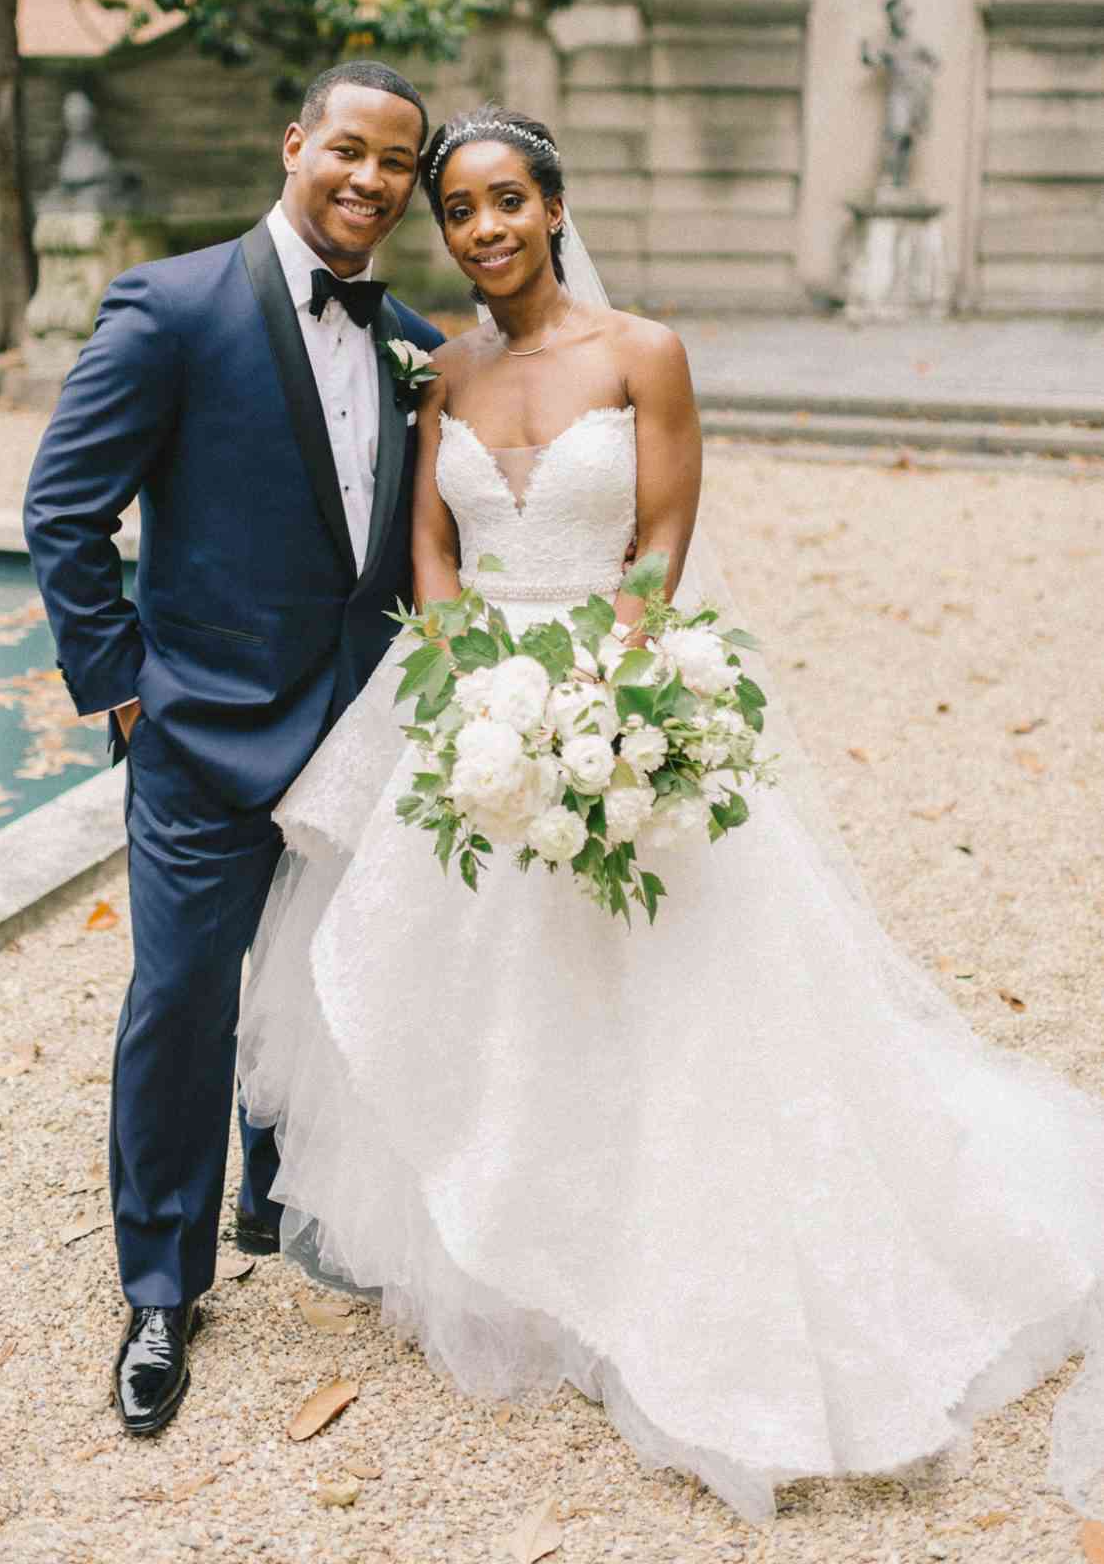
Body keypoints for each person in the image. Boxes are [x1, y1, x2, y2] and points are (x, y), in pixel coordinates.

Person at [239, 103, 1104, 1524]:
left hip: (616, 693)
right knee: (456, 977)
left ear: (555, 206)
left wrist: (600, 702)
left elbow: (658, 545)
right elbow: (433, 554)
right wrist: (470, 693)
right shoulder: (440, 375)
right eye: (458, 209)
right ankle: (508, 1244)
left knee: (667, 987)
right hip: (470, 710)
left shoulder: (646, 356)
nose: (485, 228)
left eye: (508, 199)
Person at [23, 61, 444, 1436]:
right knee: (181, 1004)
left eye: (396, 163)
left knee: (326, 983)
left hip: (354, 738)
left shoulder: (417, 339)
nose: (370, 180)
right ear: (295, 146)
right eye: (349, 151)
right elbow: (63, 512)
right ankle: (160, 1287)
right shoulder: (174, 303)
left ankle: (284, 1195)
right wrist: (125, 689)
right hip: (197, 735)